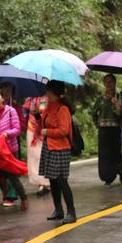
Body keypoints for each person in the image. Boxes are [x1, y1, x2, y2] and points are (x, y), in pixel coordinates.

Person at [35, 80, 76, 225]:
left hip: (61, 148)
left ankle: (71, 212)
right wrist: (36, 115)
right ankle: (58, 210)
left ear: (53, 92)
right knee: (52, 180)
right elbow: (43, 124)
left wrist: (48, 131)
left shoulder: (62, 109)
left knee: (61, 180)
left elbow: (63, 130)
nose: (46, 93)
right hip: (50, 147)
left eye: (48, 90)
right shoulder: (49, 106)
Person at [0, 89, 29, 215]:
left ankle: (24, 198)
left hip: (9, 151)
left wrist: (7, 134)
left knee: (13, 178)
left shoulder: (11, 111)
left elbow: (17, 129)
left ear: (2, 98)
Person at [92, 74, 122, 186]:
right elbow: (94, 113)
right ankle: (108, 177)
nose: (109, 84)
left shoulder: (119, 96)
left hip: (116, 129)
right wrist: (97, 123)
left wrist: (116, 104)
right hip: (103, 130)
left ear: (115, 83)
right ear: (104, 83)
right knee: (104, 154)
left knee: (116, 153)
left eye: (111, 82)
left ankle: (120, 170)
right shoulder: (100, 99)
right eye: (106, 82)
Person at [23, 96, 51, 196]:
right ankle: (40, 183)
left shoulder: (45, 98)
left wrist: (36, 111)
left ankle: (44, 183)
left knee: (41, 156)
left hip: (42, 129)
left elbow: (43, 112)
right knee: (33, 157)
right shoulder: (29, 99)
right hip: (31, 129)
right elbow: (25, 114)